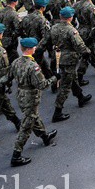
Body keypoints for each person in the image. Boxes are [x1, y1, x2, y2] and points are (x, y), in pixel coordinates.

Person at [9, 37, 58, 167]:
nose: (36, 48)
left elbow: (8, 76)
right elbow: (43, 85)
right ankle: (16, 155)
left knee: (33, 117)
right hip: (30, 97)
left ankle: (45, 137)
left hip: (20, 95)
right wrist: (54, 78)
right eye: (34, 47)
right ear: (30, 49)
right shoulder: (33, 66)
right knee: (26, 126)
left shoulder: (16, 62)